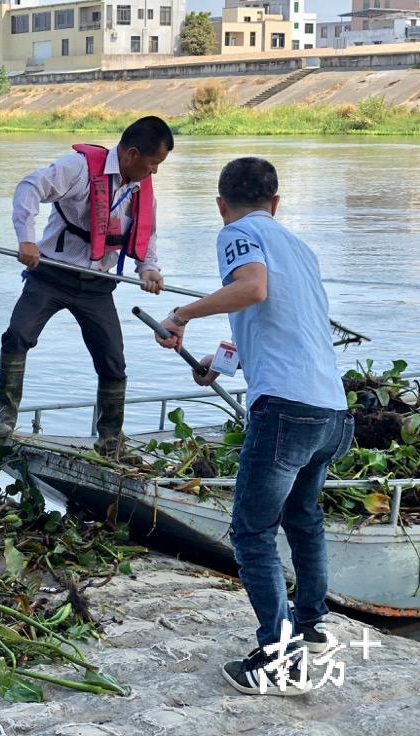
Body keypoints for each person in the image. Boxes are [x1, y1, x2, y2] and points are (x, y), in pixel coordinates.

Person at [155, 157, 354, 696]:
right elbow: (287, 324)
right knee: (303, 517)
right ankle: (312, 627)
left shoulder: (237, 232)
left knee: (251, 533)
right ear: (276, 202)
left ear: (221, 204)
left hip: (287, 410)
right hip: (331, 411)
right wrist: (221, 363)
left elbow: (253, 289)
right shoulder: (301, 248)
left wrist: (181, 315)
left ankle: (280, 659)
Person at [0, 116, 173, 454]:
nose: (155, 172)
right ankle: (6, 415)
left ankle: (110, 439)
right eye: (153, 163)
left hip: (98, 285)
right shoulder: (79, 168)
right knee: (17, 335)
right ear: (132, 154)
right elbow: (30, 186)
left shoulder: (141, 189)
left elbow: (147, 236)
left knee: (113, 360)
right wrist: (26, 239)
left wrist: (148, 270)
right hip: (51, 275)